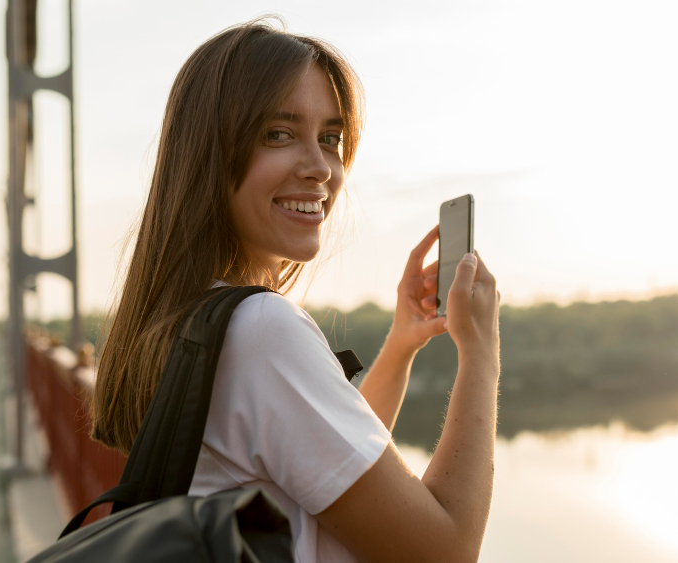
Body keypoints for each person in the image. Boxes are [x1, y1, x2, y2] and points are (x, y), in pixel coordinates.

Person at [92, 17, 501, 563]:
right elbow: (445, 552)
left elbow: (334, 462)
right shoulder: (260, 329)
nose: (320, 169)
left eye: (330, 139)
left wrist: (402, 344)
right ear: (210, 153)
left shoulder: (197, 316)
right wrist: (482, 355)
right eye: (278, 134)